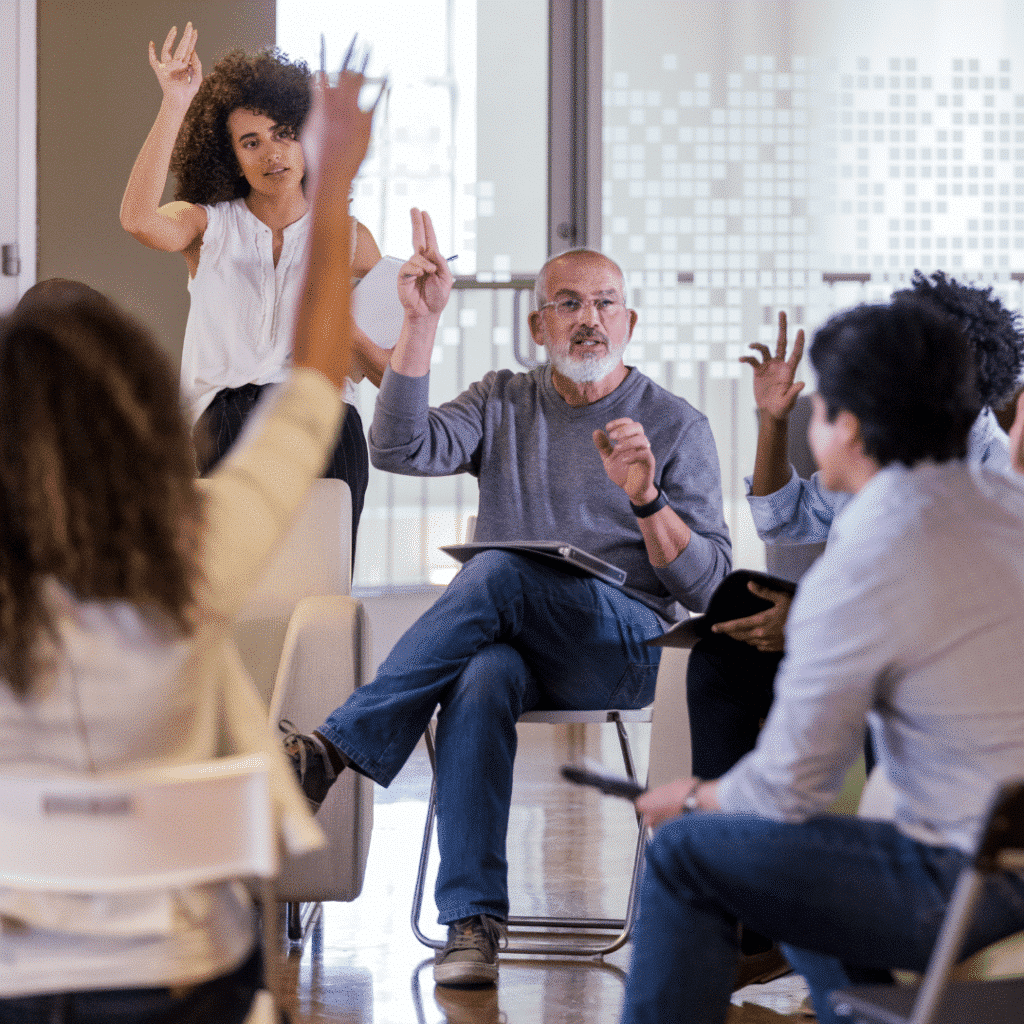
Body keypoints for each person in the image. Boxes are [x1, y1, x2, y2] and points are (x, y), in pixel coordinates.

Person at [0, 66, 375, 1023]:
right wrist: (335, 186)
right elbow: (315, 383)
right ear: (138, 408)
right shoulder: (197, 551)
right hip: (179, 984)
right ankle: (296, 748)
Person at [281, 233, 732, 987]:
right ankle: (473, 924)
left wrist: (646, 498)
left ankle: (332, 749)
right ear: (538, 328)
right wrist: (419, 327)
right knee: (482, 675)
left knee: (496, 568)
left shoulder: (675, 424)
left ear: (629, 323)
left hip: (625, 649)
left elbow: (709, 590)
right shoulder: (503, 399)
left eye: (604, 303)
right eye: (567, 303)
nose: (588, 318)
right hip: (520, 647)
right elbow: (400, 448)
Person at [618, 298, 1024, 1024]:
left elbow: (787, 795)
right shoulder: (1007, 506)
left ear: (850, 426)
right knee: (808, 862)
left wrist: (688, 799)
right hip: (1004, 847)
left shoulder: (872, 553)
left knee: (687, 852)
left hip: (969, 882)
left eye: (820, 406)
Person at [687, 272, 1024, 780]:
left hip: (917, 665)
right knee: (723, 656)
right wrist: (773, 421)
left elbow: (933, 608)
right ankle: (728, 831)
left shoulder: (992, 476)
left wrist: (812, 621)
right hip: (859, 631)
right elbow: (782, 519)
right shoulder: (889, 442)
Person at [120, 22, 389, 546]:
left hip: (325, 425)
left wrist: (368, 324)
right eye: (251, 141)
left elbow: (383, 372)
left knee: (319, 590)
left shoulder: (350, 238)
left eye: (284, 133)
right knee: (223, 592)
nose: (272, 154)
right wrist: (175, 102)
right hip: (223, 425)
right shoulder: (206, 225)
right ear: (232, 158)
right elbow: (137, 220)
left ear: (306, 136)